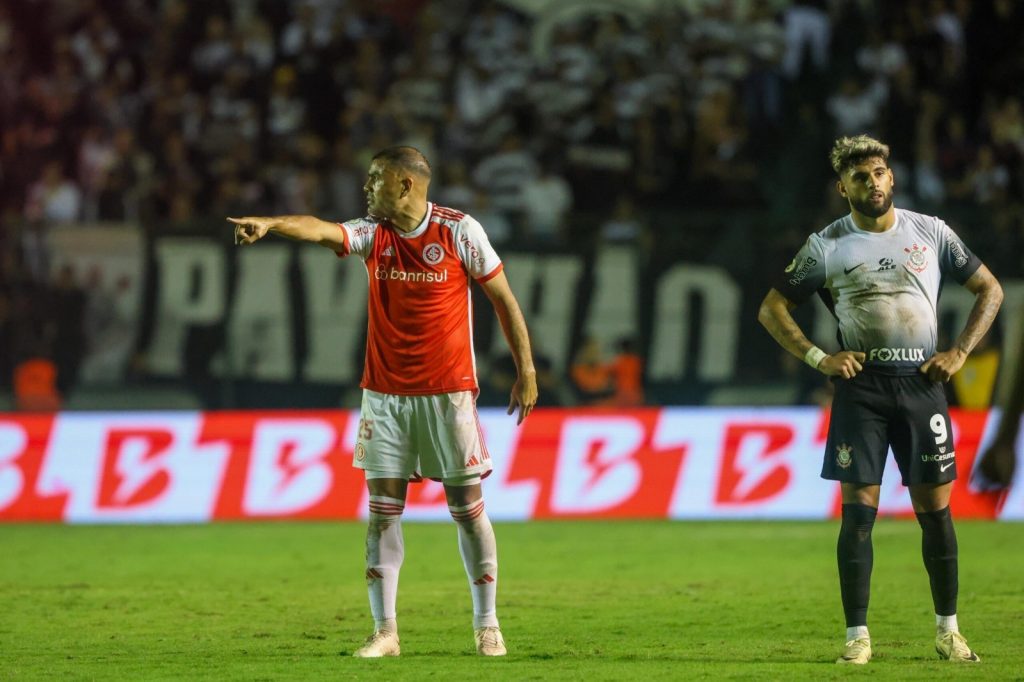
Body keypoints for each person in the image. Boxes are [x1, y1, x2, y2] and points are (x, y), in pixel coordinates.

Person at [229, 146, 538, 658]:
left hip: (448, 394)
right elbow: (321, 228)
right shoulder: (376, 234)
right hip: (385, 396)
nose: (367, 188)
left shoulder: (460, 231)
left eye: (376, 179)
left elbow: (503, 299)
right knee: (382, 514)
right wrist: (271, 223)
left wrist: (526, 370)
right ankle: (385, 631)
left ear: (405, 186)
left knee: (465, 508)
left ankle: (487, 624)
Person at [758, 135, 1003, 665]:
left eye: (879, 173)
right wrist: (820, 358)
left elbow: (991, 289)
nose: (872, 182)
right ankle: (857, 637)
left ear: (892, 177)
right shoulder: (826, 245)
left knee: (936, 514)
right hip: (862, 389)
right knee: (858, 517)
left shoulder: (930, 232)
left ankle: (948, 631)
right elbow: (773, 308)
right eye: (860, 176)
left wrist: (960, 352)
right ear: (841, 186)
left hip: (922, 384)